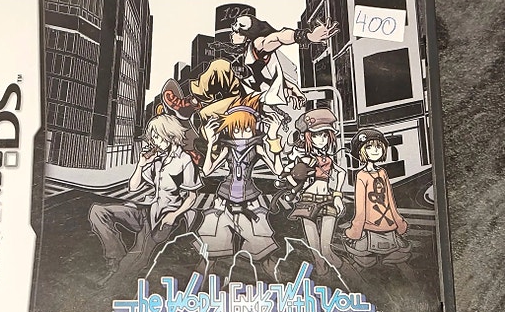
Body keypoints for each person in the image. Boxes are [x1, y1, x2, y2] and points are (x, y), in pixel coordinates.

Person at [89, 114, 202, 288]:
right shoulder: (157, 159)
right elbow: (133, 187)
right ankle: (115, 257)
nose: (154, 141)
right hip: (146, 211)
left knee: (139, 254)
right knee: (98, 212)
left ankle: (110, 286)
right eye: (153, 137)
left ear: (169, 135)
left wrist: (174, 215)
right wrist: (141, 165)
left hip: (164, 218)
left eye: (157, 136)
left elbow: (192, 197)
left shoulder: (184, 161)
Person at [164, 16, 339, 124]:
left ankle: (192, 106)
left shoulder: (259, 45)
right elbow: (272, 77)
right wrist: (291, 88)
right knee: (222, 69)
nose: (232, 34)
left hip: (253, 101)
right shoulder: (246, 50)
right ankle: (191, 105)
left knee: (219, 69)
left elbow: (279, 37)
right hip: (245, 94)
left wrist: (307, 36)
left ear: (246, 35)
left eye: (236, 31)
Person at [196, 93, 283, 282]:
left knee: (265, 254)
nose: (242, 133)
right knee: (210, 254)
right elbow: (207, 170)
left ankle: (284, 288)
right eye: (237, 129)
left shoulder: (257, 148)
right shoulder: (227, 148)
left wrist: (273, 138)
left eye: (247, 129)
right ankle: (195, 289)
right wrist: (211, 143)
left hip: (250, 203)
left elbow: (278, 170)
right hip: (223, 202)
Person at [283, 108, 346, 274]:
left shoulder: (328, 159)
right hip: (308, 199)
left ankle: (350, 278)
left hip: (327, 199)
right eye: (316, 135)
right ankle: (324, 277)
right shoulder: (303, 157)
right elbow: (288, 168)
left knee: (326, 250)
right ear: (308, 136)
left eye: (325, 135)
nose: (321, 139)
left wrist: (337, 195)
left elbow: (341, 173)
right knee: (316, 254)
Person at [344, 128, 410, 268]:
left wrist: (354, 232)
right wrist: (400, 225)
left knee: (358, 252)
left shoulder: (379, 173)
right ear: (361, 151)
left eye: (378, 147)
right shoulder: (364, 175)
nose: (375, 150)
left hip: (372, 228)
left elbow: (389, 201)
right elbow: (363, 209)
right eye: (369, 147)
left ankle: (372, 257)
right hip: (385, 228)